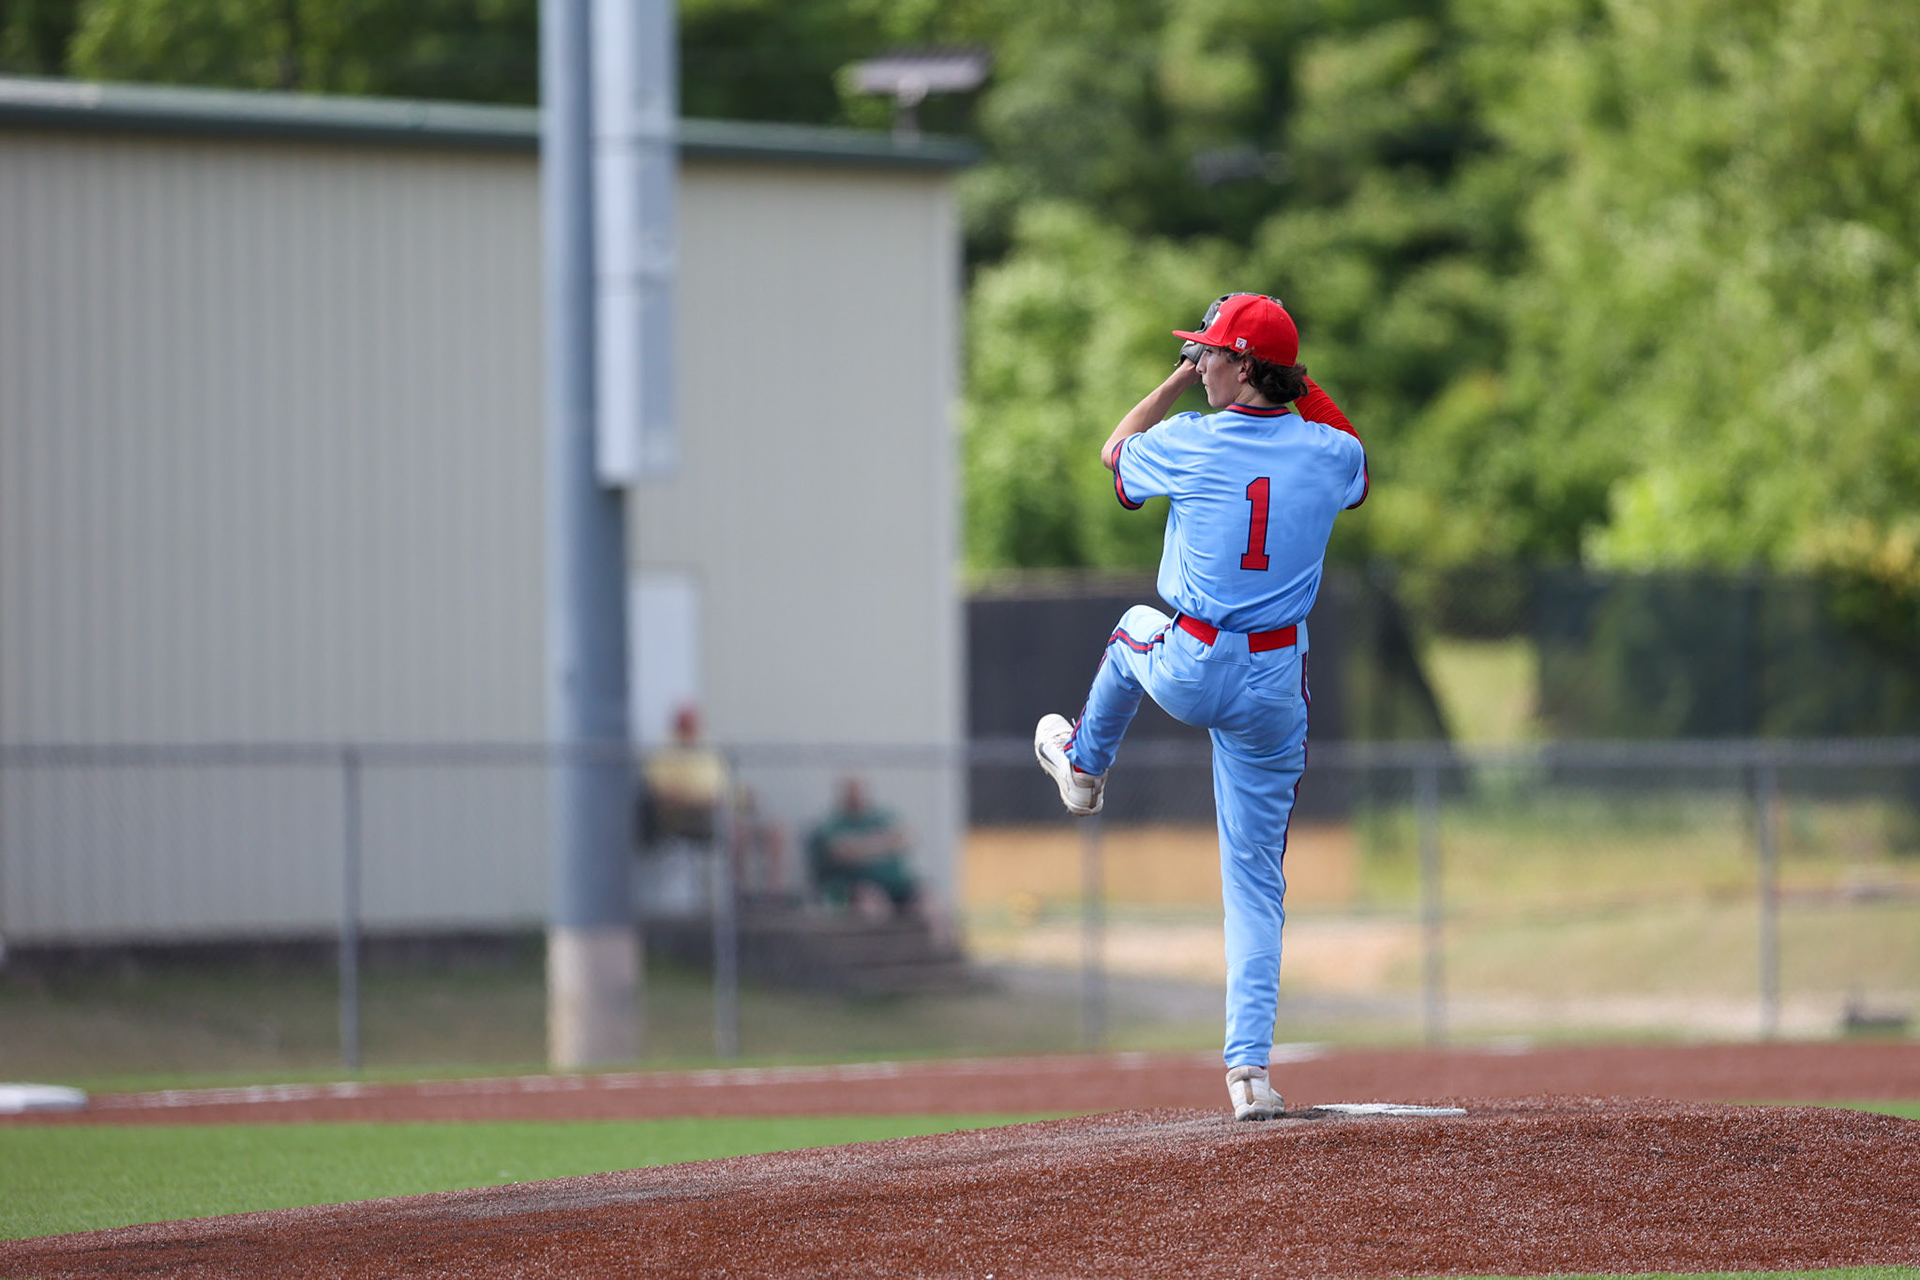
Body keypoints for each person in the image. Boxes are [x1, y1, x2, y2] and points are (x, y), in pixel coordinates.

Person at [1032, 292, 1367, 1121]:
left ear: (1245, 367)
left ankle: (1083, 766)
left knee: (1128, 630)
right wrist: (1289, 372)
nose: (1198, 361)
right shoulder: (1326, 453)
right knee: (1256, 882)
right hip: (1276, 681)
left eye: (1210, 351)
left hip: (1193, 657)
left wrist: (1175, 383)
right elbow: (1353, 448)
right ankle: (1248, 1073)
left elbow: (1114, 451)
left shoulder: (1186, 440)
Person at [807, 776, 920, 917]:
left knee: (929, 902)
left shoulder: (882, 816)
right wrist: (886, 843)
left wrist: (863, 847)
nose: (856, 795)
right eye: (851, 790)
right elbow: (841, 851)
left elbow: (908, 838)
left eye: (859, 789)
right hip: (856, 887)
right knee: (872, 901)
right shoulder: (833, 823)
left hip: (897, 885)